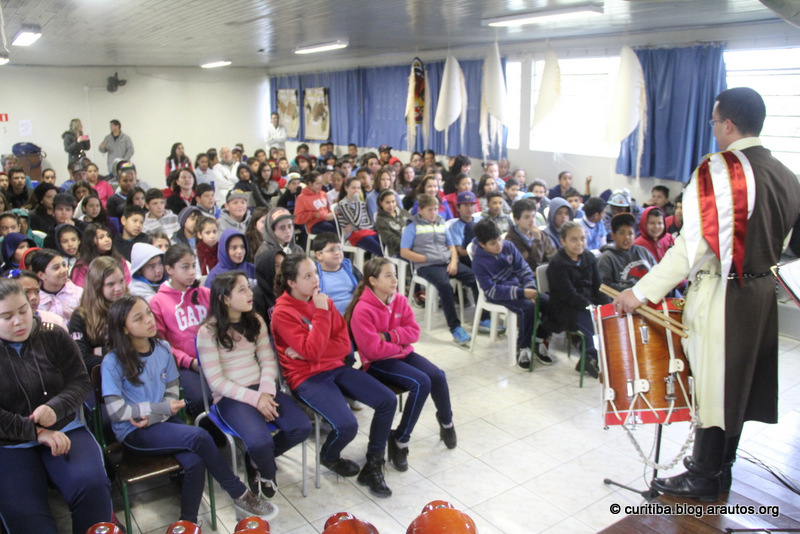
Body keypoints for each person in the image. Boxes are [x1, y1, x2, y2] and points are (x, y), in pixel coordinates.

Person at [613, 87, 800, 501]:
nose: (714, 130)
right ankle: (720, 470)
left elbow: (690, 247)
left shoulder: (720, 170)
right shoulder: (788, 175)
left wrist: (640, 292)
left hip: (724, 292)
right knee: (740, 384)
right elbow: (790, 244)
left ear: (728, 124)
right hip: (761, 294)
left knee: (715, 385)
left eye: (714, 122)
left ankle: (703, 475)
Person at [101, 295, 278, 524]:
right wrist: (160, 409)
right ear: (124, 329)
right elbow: (117, 412)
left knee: (195, 462)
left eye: (148, 312)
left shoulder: (163, 349)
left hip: (160, 421)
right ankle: (239, 494)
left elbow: (172, 393)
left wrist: (155, 414)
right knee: (200, 436)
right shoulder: (113, 361)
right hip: (134, 431)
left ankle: (188, 523)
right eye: (138, 318)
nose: (149, 320)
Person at [271, 254, 395, 497]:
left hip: (335, 367)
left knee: (387, 400)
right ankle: (329, 456)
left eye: (315, 274)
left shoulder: (323, 300)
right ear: (291, 283)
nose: (315, 280)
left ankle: (373, 463)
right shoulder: (283, 312)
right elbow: (312, 351)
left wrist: (311, 351)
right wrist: (319, 319)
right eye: (307, 276)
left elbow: (344, 346)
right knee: (347, 426)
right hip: (305, 378)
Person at [0, 278, 113, 533]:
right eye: (6, 317)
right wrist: (37, 432)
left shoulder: (53, 335)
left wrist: (55, 407)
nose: (18, 321)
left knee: (92, 486)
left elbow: (80, 381)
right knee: (24, 513)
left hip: (64, 427)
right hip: (9, 441)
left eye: (23, 311)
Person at [197, 271, 311, 499]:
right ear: (225, 299)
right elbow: (216, 382)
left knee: (302, 427)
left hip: (261, 388)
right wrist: (256, 399)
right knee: (260, 442)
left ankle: (254, 460)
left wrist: (265, 392)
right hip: (230, 397)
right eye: (242, 290)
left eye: (248, 288)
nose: (250, 293)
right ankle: (267, 471)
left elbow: (267, 360)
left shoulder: (256, 321)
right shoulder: (207, 332)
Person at [345, 258, 457, 471]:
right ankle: (400, 440)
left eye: (395, 275)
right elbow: (372, 350)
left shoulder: (399, 300)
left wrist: (388, 336)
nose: (395, 280)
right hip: (377, 363)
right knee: (421, 383)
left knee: (438, 375)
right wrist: (400, 344)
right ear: (373, 281)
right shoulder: (362, 309)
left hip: (400, 354)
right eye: (388, 276)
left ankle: (447, 423)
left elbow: (414, 332)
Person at [471, 219, 551, 369]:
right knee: (527, 308)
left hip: (519, 289)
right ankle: (523, 347)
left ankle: (539, 339)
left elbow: (524, 269)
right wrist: (522, 293)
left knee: (549, 302)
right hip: (498, 294)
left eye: (499, 239)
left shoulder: (508, 246)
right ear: (482, 244)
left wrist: (529, 288)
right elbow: (492, 290)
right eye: (493, 243)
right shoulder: (478, 262)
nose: (498, 245)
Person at [400, 194, 478, 346]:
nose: (434, 213)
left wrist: (453, 262)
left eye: (436, 209)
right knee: (444, 285)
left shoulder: (441, 222)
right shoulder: (413, 226)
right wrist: (424, 258)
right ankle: (455, 328)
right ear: (420, 210)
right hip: (427, 265)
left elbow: (451, 246)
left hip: (446, 261)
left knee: (475, 278)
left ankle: (484, 318)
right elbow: (404, 252)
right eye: (430, 210)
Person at [149, 244, 211, 418]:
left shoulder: (206, 293)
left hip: (214, 357)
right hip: (184, 366)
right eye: (185, 267)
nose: (192, 272)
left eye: (193, 266)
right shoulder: (158, 302)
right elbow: (161, 344)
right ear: (169, 269)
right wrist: (189, 362)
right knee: (201, 399)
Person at [544, 221, 610, 378]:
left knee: (609, 319)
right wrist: (591, 307)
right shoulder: (557, 264)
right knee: (593, 325)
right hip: (565, 309)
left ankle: (594, 358)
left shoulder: (588, 257)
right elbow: (568, 295)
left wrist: (606, 305)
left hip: (586, 304)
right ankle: (593, 358)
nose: (579, 243)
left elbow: (598, 286)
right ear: (563, 241)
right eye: (573, 239)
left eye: (582, 238)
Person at [68, 256, 127, 372]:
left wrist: (103, 351)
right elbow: (83, 359)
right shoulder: (80, 317)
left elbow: (142, 346)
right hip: (101, 376)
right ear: (97, 286)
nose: (118, 288)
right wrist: (120, 356)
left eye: (121, 281)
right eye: (110, 284)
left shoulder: (132, 307)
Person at [598, 213, 656, 292]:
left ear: (635, 236)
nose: (626, 237)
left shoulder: (643, 251)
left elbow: (657, 273)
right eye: (622, 233)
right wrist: (633, 290)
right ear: (613, 236)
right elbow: (605, 287)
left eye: (630, 233)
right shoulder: (607, 258)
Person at [30, 249, 84, 322]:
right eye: (56, 268)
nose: (64, 270)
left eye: (64, 265)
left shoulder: (80, 293)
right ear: (41, 275)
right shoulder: (35, 299)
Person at [335, 177, 383, 257]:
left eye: (358, 188)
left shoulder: (361, 203)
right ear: (346, 188)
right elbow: (357, 223)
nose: (356, 191)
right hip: (354, 236)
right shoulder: (343, 204)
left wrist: (356, 227)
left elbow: (369, 223)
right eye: (353, 188)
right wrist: (357, 201)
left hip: (368, 231)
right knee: (380, 250)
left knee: (386, 244)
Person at [505, 198, 555, 274]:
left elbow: (553, 256)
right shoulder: (511, 240)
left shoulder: (540, 233)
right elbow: (532, 265)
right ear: (516, 220)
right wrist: (537, 241)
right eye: (527, 217)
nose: (532, 220)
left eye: (533, 216)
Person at [375, 189, 410, 258]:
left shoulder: (403, 212)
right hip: (397, 250)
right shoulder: (380, 220)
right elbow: (391, 240)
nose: (391, 205)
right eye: (387, 202)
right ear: (381, 203)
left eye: (393, 201)